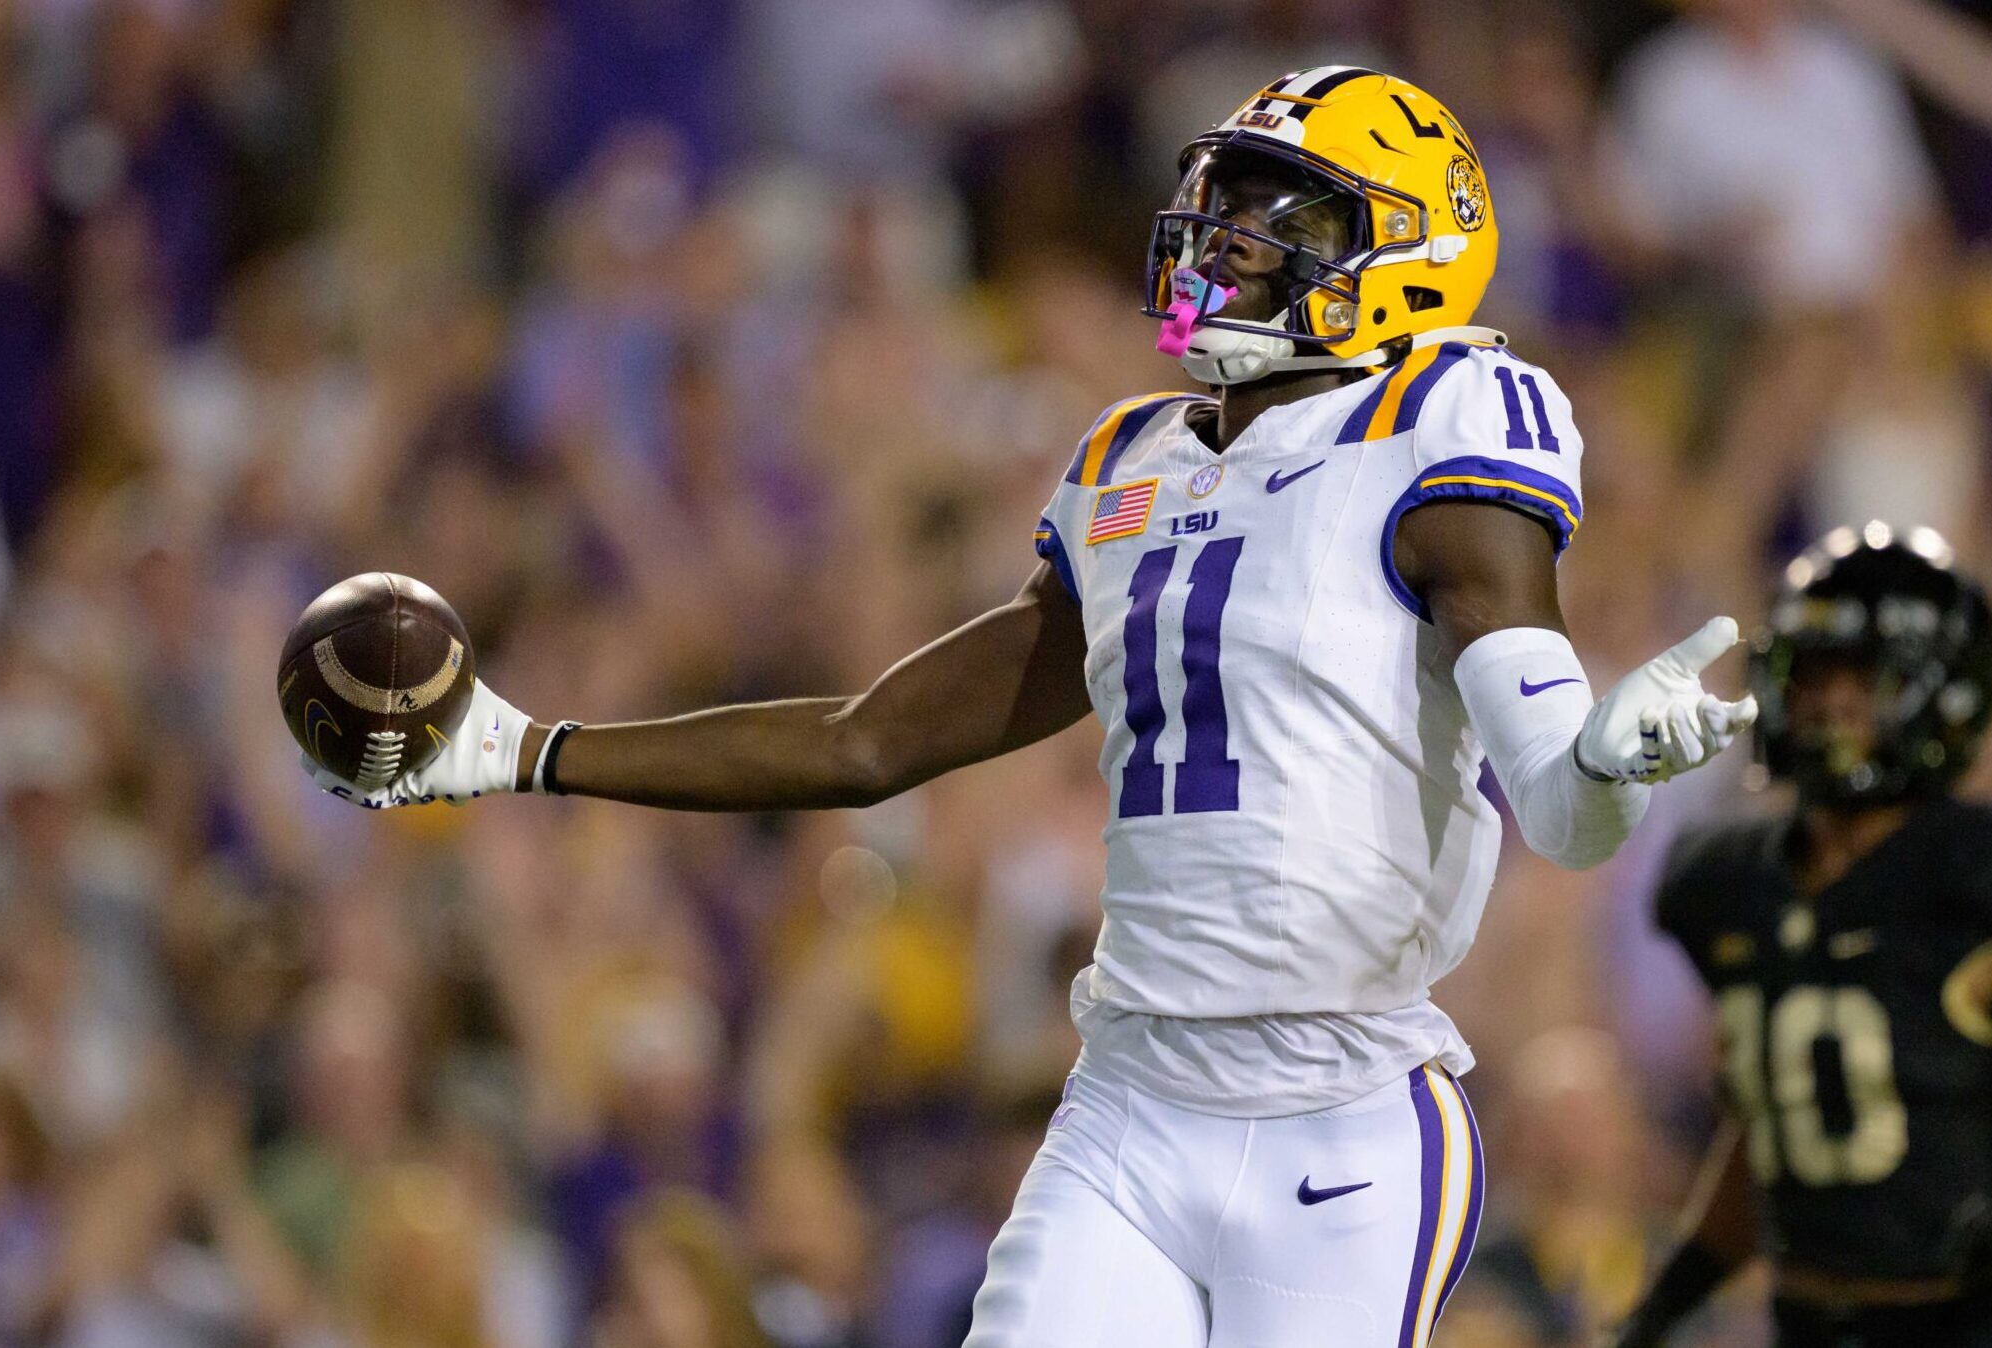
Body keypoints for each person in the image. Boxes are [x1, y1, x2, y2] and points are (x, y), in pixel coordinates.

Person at [305, 68, 1757, 1347]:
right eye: (1218, 200)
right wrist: (526, 749)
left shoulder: (1437, 425)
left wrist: (1612, 760)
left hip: (1342, 1114)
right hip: (1128, 1104)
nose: (1221, 238)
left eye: (1278, 214)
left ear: (1407, 251)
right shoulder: (1129, 462)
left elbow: (1562, 815)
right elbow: (868, 739)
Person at [1615, 525, 1992, 1348]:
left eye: (1862, 680)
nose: (1827, 703)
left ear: (1939, 693)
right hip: (1811, 1323)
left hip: (1974, 1325)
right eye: (1811, 674)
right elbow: (1774, 1126)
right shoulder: (1730, 883)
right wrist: (1666, 1300)